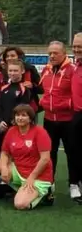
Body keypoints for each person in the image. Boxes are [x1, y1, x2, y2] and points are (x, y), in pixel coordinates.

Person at [0, 104, 54, 210]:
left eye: (24, 115)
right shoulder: (12, 131)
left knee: (20, 204)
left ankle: (46, 193)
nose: (20, 118)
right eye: (17, 115)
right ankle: (22, 189)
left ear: (30, 118)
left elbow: (45, 159)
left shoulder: (40, 132)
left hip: (38, 176)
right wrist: (4, 168)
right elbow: (4, 153)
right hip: (19, 170)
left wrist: (32, 177)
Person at [38, 41, 76, 201]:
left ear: (64, 53)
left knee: (72, 153)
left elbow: (77, 95)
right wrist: (42, 103)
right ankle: (49, 182)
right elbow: (42, 91)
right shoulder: (46, 69)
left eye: (55, 53)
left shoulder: (73, 70)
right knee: (49, 153)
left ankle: (74, 184)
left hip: (68, 120)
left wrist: (63, 105)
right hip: (49, 119)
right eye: (50, 53)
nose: (52, 56)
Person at [0, 46, 41, 111]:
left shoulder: (29, 69)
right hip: (8, 108)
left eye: (12, 56)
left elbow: (41, 89)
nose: (9, 58)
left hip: (28, 109)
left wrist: (32, 85)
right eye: (7, 56)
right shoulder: (2, 71)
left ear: (19, 57)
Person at [0, 60, 32, 132]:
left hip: (17, 125)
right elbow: (0, 106)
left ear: (22, 71)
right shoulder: (4, 88)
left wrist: (15, 121)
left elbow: (23, 108)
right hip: (2, 125)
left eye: (15, 71)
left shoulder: (24, 88)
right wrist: (0, 121)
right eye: (10, 70)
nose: (12, 73)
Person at [72, 33, 82, 204]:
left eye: (80, 46)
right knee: (76, 151)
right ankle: (75, 183)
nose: (76, 49)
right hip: (76, 114)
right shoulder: (76, 66)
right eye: (74, 45)